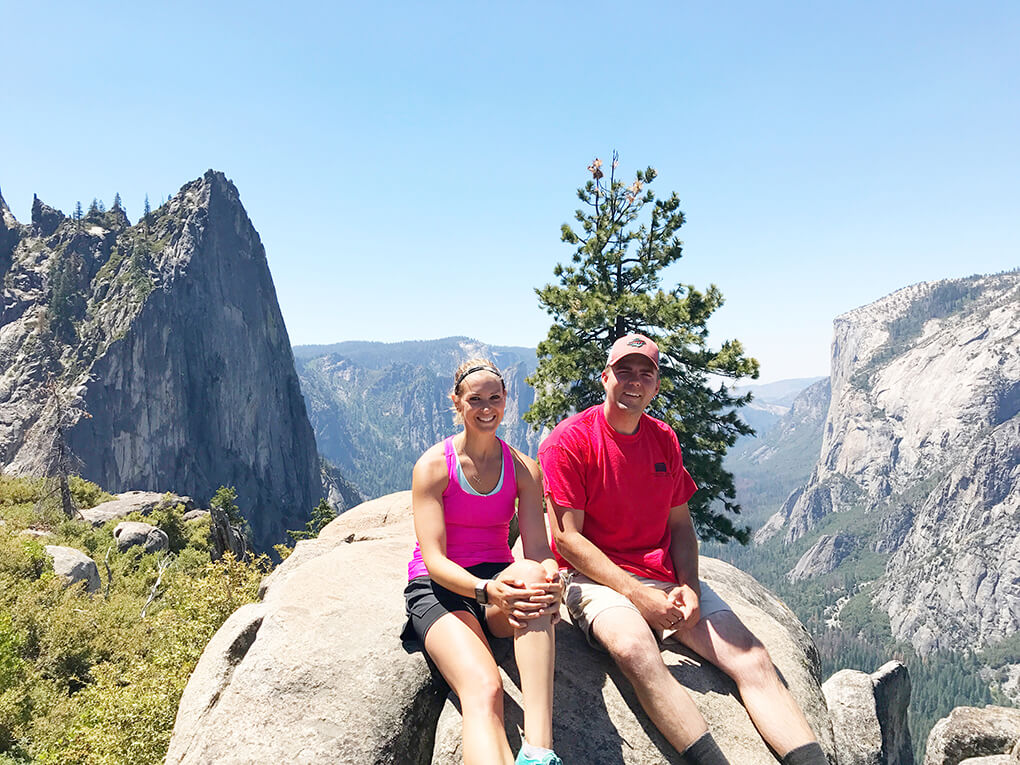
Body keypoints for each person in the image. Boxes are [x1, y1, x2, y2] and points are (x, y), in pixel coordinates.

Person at [538, 334, 828, 765]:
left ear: (656, 385)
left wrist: (689, 587)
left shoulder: (663, 440)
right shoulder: (569, 441)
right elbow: (567, 538)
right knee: (636, 650)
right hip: (594, 578)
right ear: (605, 378)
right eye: (624, 371)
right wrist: (639, 597)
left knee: (751, 658)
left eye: (645, 373)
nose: (634, 381)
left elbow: (680, 525)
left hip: (666, 576)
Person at [403, 358, 564, 765]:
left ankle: (539, 753)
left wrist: (551, 579)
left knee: (535, 579)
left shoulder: (524, 469)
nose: (487, 407)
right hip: (440, 589)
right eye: (475, 399)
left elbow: (538, 551)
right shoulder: (434, 467)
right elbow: (435, 559)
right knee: (485, 689)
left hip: (496, 584)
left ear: (506, 400)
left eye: (495, 398)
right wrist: (487, 590)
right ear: (457, 402)